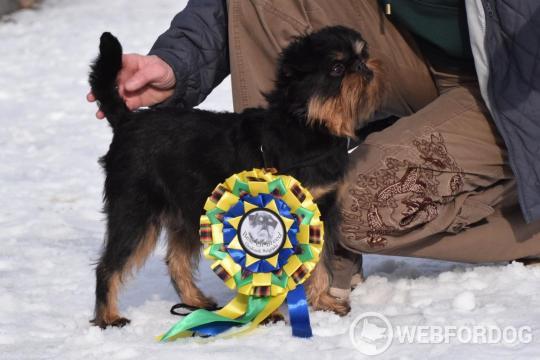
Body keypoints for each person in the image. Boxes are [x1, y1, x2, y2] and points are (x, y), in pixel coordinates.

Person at [88, 0, 540, 304]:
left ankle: (530, 220)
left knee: (354, 206)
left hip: (518, 80)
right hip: (411, 52)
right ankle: (273, 230)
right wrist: (176, 63)